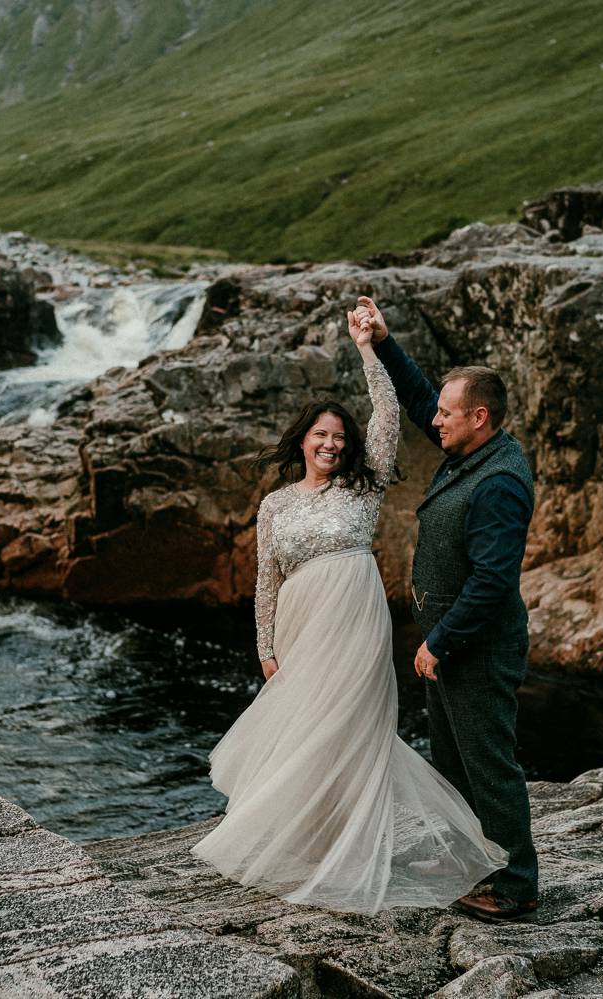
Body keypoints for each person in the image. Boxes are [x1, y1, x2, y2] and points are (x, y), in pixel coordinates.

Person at [190, 305, 506, 915]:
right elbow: (266, 582)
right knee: (304, 728)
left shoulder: (363, 484)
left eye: (340, 436)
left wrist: (368, 349)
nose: (332, 443)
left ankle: (353, 847)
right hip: (300, 623)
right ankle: (310, 841)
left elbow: (388, 413)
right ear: (304, 441)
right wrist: (266, 649)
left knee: (351, 726)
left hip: (355, 618)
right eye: (322, 435)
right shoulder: (277, 505)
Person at [357, 294, 540, 923]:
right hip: (453, 639)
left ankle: (515, 883)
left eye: (448, 412)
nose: (436, 419)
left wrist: (439, 642)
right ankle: (469, 859)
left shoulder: (499, 481)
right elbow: (419, 397)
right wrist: (383, 341)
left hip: (477, 644)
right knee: (453, 759)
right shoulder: (471, 448)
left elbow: (492, 581)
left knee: (489, 763)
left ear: (480, 416)